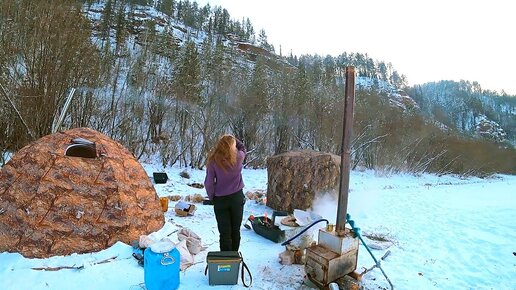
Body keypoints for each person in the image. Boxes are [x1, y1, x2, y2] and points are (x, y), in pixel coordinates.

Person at [204, 134, 246, 251]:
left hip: (220, 200)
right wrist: (233, 138)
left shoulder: (214, 161)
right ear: (232, 146)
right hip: (237, 198)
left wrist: (212, 197)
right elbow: (242, 147)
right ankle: (234, 258)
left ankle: (225, 260)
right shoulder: (239, 157)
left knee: (224, 232)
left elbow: (209, 182)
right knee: (235, 230)